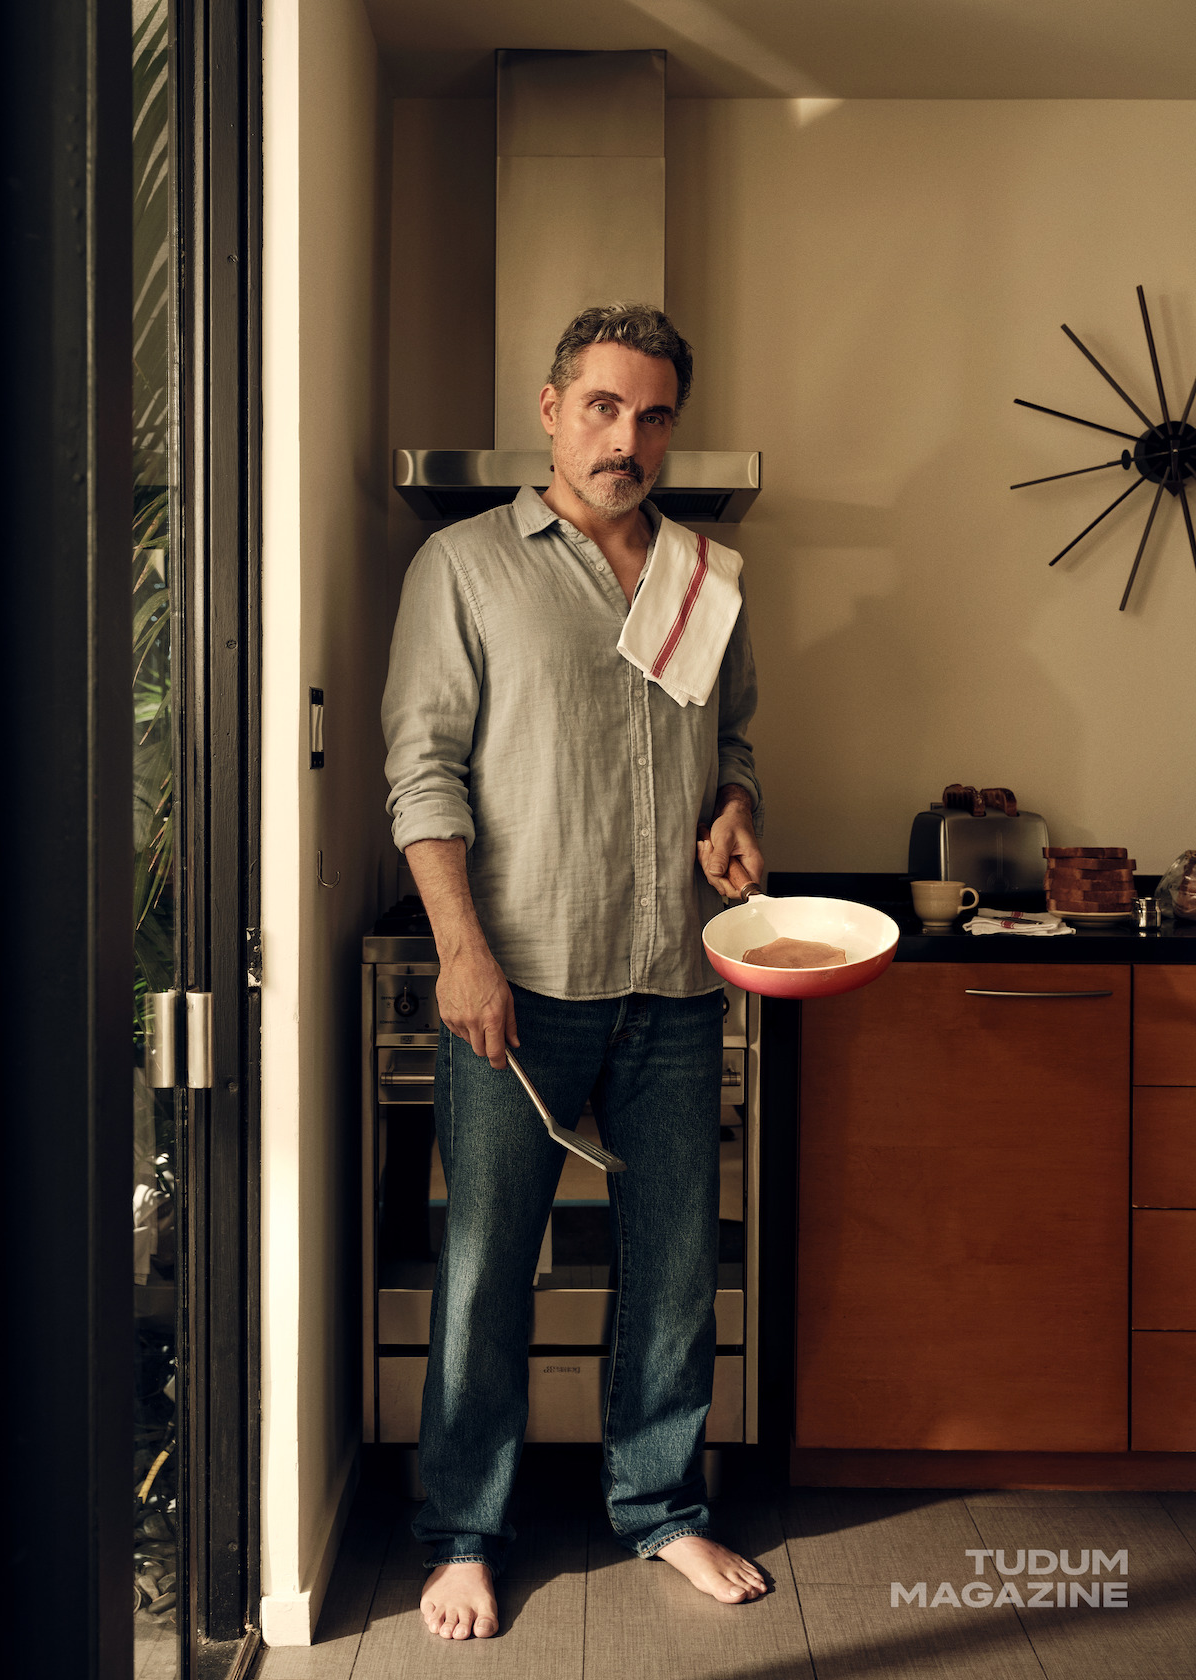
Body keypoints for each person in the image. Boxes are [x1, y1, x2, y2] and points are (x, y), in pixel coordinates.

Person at [382, 302, 766, 1641]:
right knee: (491, 1266)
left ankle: (662, 1508)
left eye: (653, 412)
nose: (628, 436)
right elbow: (421, 770)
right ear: (550, 409)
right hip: (521, 981)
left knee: (671, 1269)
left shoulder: (706, 579)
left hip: (675, 978)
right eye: (602, 406)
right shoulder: (464, 568)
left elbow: (739, 745)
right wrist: (463, 955)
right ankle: (463, 1533)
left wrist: (733, 809)